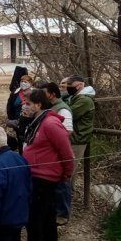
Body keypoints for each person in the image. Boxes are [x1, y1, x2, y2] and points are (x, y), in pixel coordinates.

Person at [20, 89, 75, 241]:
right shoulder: (38, 121)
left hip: (44, 178)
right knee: (47, 217)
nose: (24, 106)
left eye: (28, 103)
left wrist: (65, 175)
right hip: (36, 176)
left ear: (39, 105)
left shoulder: (50, 124)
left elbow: (67, 153)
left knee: (34, 220)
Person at [44, 83, 74, 225]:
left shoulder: (63, 110)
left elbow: (67, 131)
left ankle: (63, 213)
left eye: (45, 93)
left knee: (62, 183)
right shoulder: (50, 107)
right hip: (51, 151)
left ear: (52, 94)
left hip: (59, 150)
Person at [65, 75, 95, 173]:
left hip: (77, 138)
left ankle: (68, 188)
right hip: (72, 137)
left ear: (80, 85)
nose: (68, 87)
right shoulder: (74, 97)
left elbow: (69, 113)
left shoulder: (85, 100)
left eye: (71, 85)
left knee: (69, 169)